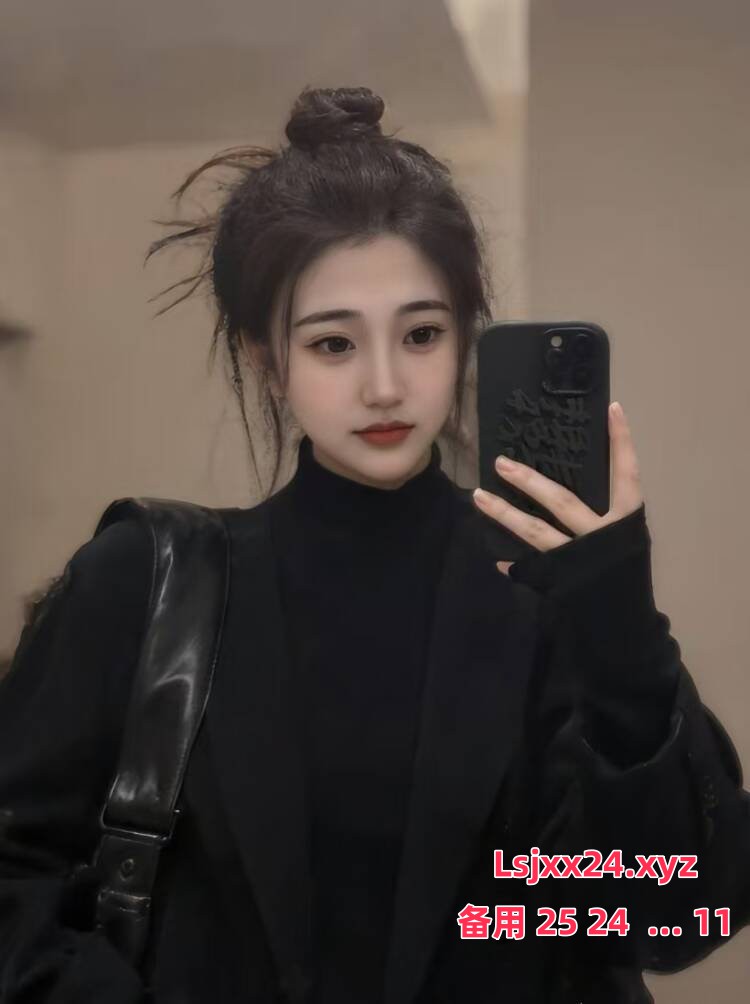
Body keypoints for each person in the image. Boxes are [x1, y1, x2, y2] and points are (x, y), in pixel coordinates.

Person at [0, 85, 747, 1004]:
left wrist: (620, 630)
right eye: (333, 345)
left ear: (465, 338)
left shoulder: (549, 592)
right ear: (265, 359)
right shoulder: (147, 583)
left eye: (422, 334)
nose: (385, 385)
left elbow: (678, 917)